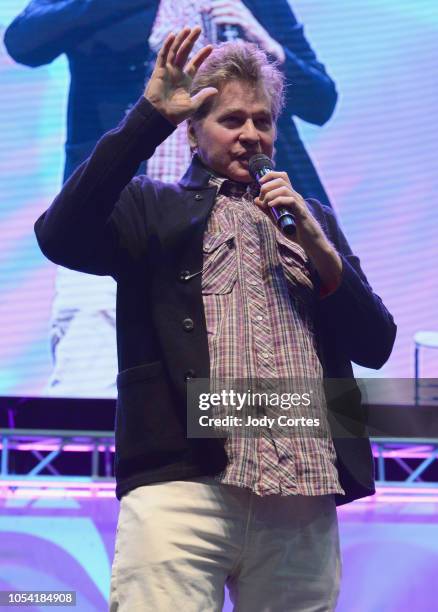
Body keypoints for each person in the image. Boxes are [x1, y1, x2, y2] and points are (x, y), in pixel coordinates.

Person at [34, 27, 396, 610]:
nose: (251, 135)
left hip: (302, 490)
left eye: (263, 120)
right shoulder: (153, 205)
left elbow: (376, 344)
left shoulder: (312, 220)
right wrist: (147, 118)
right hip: (184, 484)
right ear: (194, 129)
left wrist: (323, 252)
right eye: (231, 120)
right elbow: (59, 234)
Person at [5, 0, 338, 397]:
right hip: (119, 217)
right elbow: (24, 41)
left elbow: (322, 100)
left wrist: (267, 44)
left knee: (264, 386)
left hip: (244, 225)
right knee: (88, 384)